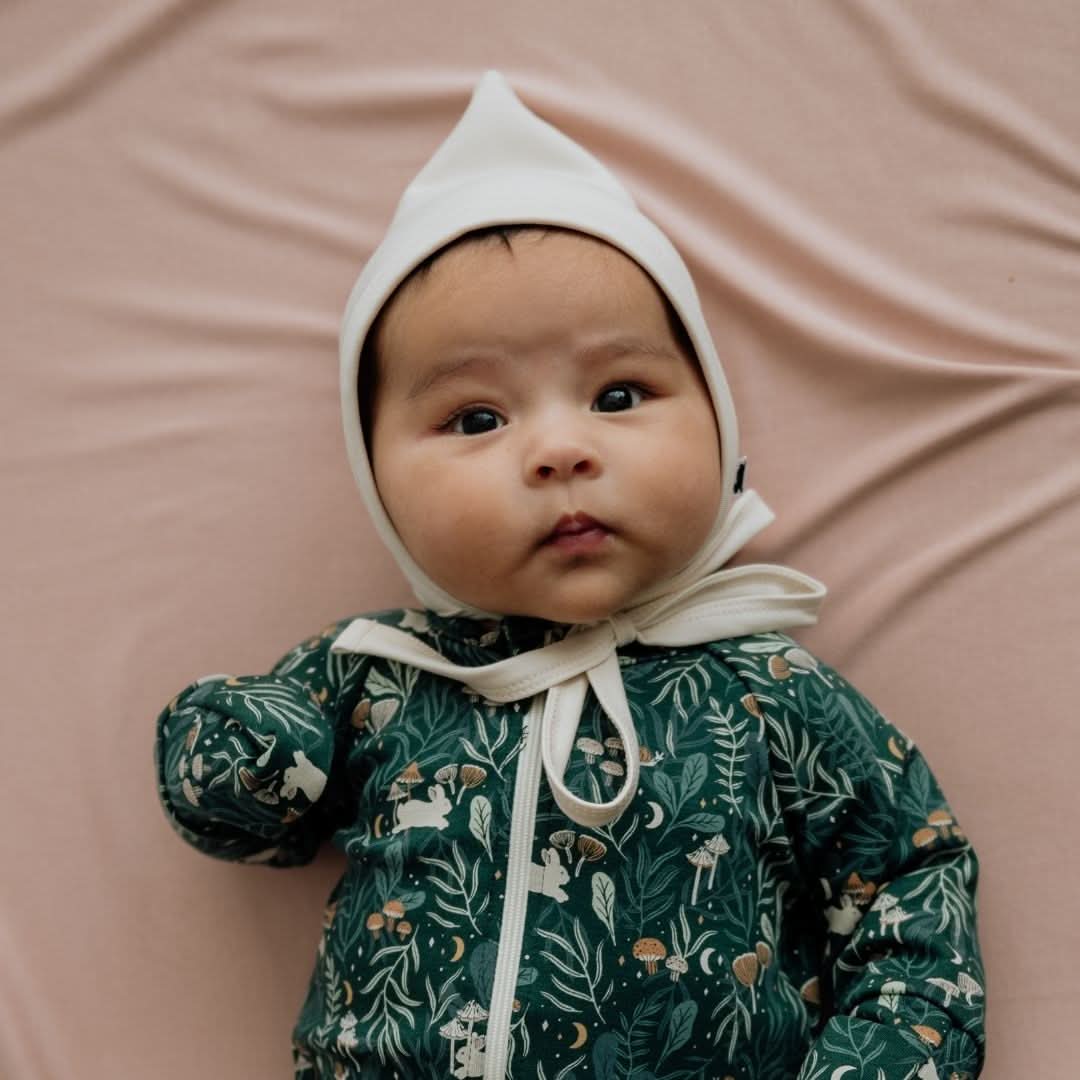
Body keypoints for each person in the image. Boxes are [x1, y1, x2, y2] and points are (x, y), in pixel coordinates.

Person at [154, 71, 986, 1079]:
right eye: (477, 419)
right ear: (376, 483)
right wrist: (238, 746)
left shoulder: (770, 697)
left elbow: (910, 874)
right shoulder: (380, 675)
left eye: (620, 394)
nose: (558, 451)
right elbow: (250, 819)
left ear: (719, 428)